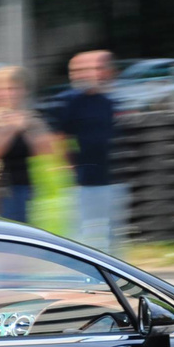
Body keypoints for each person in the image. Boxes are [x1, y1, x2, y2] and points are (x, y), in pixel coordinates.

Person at [51, 50, 123, 252]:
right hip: (84, 175)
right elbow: (60, 136)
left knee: (111, 229)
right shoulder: (71, 101)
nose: (95, 74)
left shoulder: (108, 101)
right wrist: (68, 164)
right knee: (82, 228)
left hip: (111, 174)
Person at [0, 65, 55, 224]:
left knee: (24, 235)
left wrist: (29, 128)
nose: (11, 93)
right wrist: (9, 129)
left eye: (15, 88)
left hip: (24, 188)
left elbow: (46, 150)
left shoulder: (28, 118)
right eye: (6, 88)